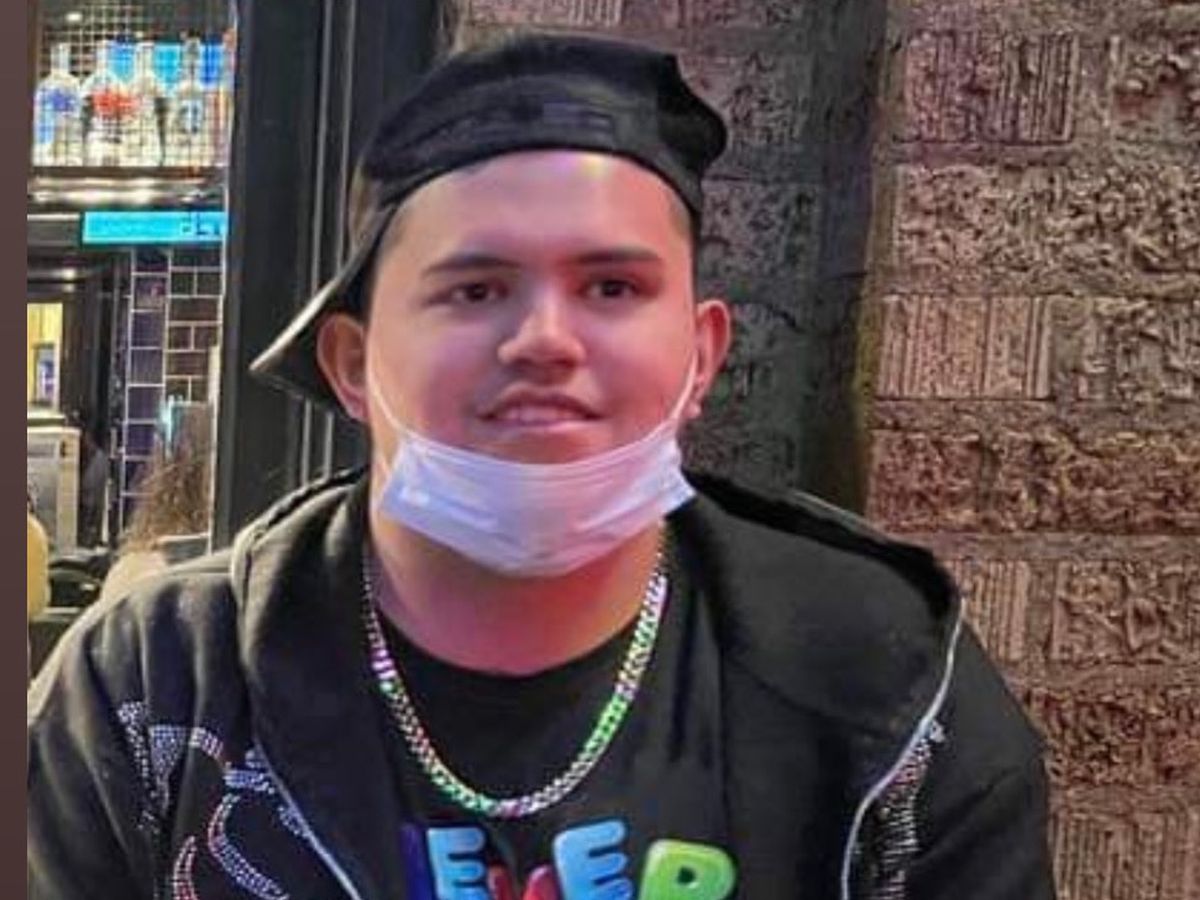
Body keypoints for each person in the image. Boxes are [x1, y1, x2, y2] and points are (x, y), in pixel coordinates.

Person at [28, 34, 1054, 900]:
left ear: (700, 356)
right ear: (351, 363)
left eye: (611, 287)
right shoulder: (157, 690)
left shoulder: (886, 689)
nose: (545, 341)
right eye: (474, 290)